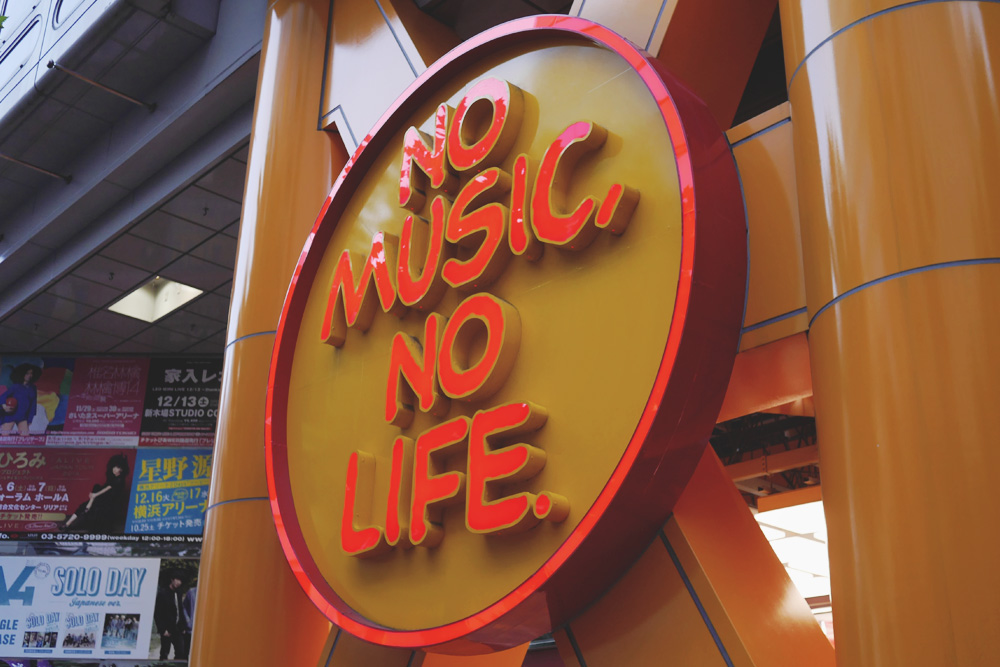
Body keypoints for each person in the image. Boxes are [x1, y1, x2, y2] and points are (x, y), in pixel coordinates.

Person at [64, 453, 130, 533]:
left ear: (122, 470)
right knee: (94, 489)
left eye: (118, 468)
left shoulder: (119, 480)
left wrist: (94, 495)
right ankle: (67, 524)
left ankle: (87, 507)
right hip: (102, 498)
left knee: (88, 504)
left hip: (108, 502)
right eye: (114, 467)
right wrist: (93, 496)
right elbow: (104, 488)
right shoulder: (112, 477)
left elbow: (107, 489)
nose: (115, 469)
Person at [154, 571, 188, 660]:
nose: (179, 582)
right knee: (165, 653)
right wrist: (162, 629)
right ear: (172, 580)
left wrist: (183, 627)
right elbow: (157, 613)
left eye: (180, 581)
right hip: (167, 628)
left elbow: (180, 610)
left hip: (178, 628)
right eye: (177, 580)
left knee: (181, 651)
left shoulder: (179, 593)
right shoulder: (163, 593)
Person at [0, 363, 40, 436]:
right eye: (27, 373)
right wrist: (4, 406)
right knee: (4, 435)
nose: (30, 375)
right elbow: (3, 397)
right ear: (22, 374)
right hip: (11, 415)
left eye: (31, 373)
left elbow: (33, 405)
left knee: (25, 436)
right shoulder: (15, 386)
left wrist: (30, 419)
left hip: (23, 416)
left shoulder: (33, 388)